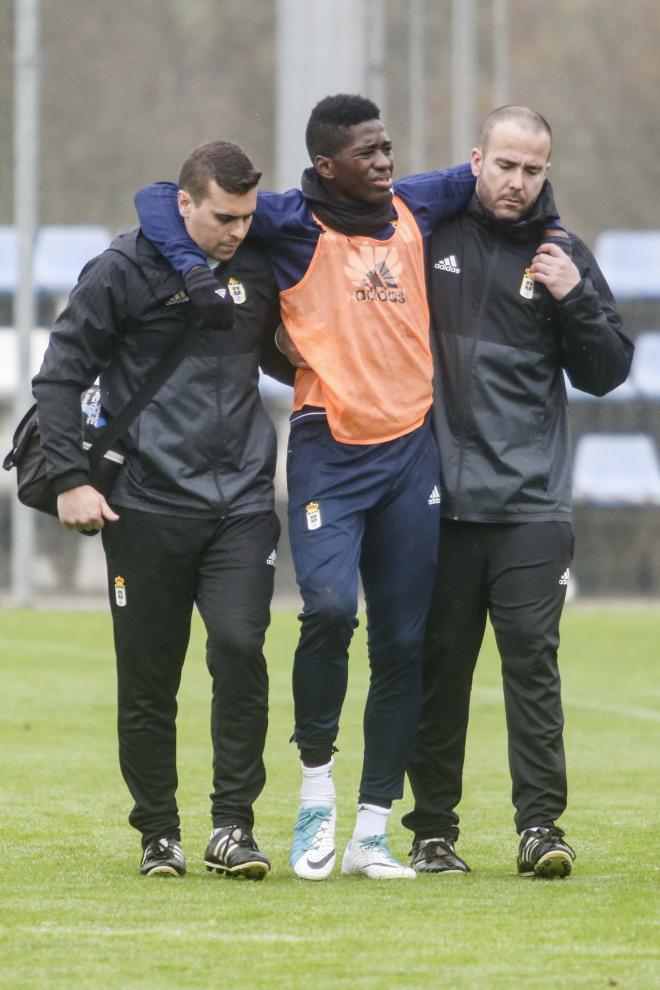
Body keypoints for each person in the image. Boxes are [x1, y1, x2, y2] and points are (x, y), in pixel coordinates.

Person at [134, 94, 476, 880]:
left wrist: (547, 216)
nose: (386, 161)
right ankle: (316, 793)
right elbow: (156, 199)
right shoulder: (288, 222)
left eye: (388, 146)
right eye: (367, 152)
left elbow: (497, 177)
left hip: (411, 452)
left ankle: (372, 829)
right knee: (327, 610)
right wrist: (192, 268)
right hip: (331, 448)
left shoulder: (414, 204)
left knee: (402, 640)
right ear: (327, 165)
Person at [32, 140, 294, 879]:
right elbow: (59, 377)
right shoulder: (122, 269)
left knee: (241, 648)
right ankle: (159, 833)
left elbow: (275, 353)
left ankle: (232, 827)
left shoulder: (256, 263)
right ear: (184, 204)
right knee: (150, 676)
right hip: (145, 504)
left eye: (246, 216)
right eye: (222, 217)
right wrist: (69, 481)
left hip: (241, 500)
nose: (237, 231)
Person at [401, 106, 634, 879]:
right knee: (441, 668)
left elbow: (608, 370)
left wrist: (574, 297)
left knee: (533, 664)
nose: (517, 182)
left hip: (532, 504)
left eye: (533, 169)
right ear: (476, 159)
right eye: (505, 165)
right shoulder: (429, 237)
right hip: (439, 505)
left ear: (547, 171)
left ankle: (541, 829)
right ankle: (432, 832)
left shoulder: (563, 253)